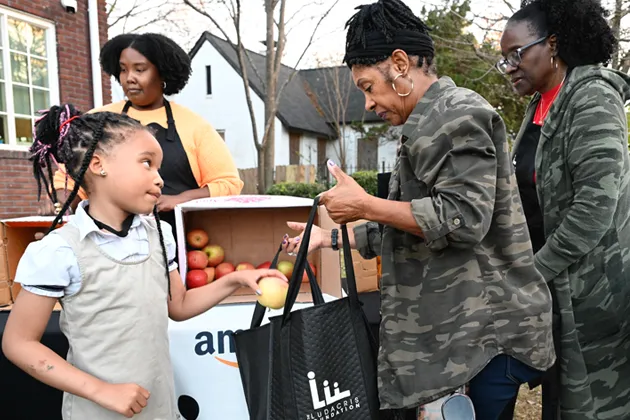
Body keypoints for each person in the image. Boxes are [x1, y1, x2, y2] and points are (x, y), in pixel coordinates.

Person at [282, 0, 556, 419]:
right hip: (455, 342)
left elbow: (461, 219)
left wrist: (367, 205)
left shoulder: (458, 115)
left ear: (399, 64)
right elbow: (410, 224)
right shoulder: (425, 122)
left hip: (481, 342)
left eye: (368, 86)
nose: (369, 104)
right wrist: (329, 237)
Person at [1, 104, 286, 419]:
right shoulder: (59, 251)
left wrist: (234, 280)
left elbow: (177, 306)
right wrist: (102, 391)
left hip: (161, 410)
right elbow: (18, 343)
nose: (160, 179)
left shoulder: (159, 235)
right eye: (147, 164)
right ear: (98, 164)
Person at [497, 0, 630, 418]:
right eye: (504, 59)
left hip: (594, 295)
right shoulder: (540, 104)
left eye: (516, 54)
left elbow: (595, 207)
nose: (509, 67)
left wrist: (533, 273)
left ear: (552, 44)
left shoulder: (591, 98)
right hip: (554, 291)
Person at [45, 33, 243, 239]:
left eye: (140, 69)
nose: (129, 77)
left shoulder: (194, 126)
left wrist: (181, 199)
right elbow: (67, 178)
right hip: (107, 239)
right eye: (123, 70)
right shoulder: (97, 120)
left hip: (180, 240)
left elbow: (228, 184)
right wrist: (62, 204)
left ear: (163, 74)